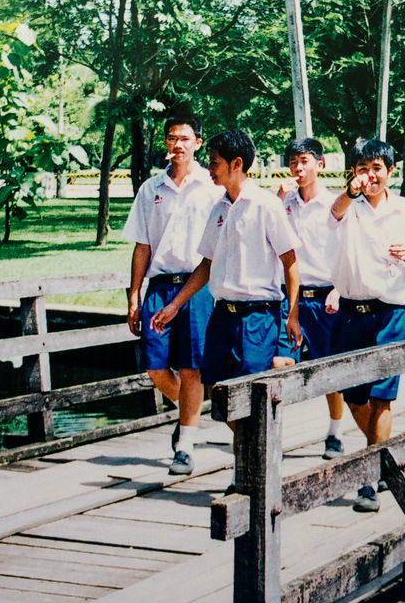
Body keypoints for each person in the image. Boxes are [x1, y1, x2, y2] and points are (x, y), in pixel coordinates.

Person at [150, 129, 302, 475]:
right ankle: (255, 455)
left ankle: (249, 471)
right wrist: (175, 305)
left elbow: (291, 263)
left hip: (258, 317)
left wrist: (291, 316)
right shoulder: (219, 207)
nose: (210, 169)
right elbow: (206, 264)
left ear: (236, 164)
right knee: (219, 392)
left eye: (215, 163)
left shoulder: (265, 205)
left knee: (249, 396)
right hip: (223, 316)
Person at [329, 139, 405, 512]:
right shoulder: (347, 207)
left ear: (390, 171)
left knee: (382, 396)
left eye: (377, 168)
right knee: (353, 395)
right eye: (362, 168)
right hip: (350, 313)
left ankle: (369, 480)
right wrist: (348, 191)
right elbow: (336, 211)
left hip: (389, 312)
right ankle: (383, 458)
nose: (369, 175)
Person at [124, 115, 222, 476]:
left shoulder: (212, 188)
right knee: (153, 365)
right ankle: (189, 414)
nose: (176, 145)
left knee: (191, 368)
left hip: (197, 285)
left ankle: (185, 446)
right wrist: (134, 296)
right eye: (170, 138)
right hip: (160, 284)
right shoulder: (152, 189)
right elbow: (142, 245)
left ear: (198, 142)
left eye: (184, 138)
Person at [276, 138, 346, 460]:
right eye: (293, 162)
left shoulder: (335, 206)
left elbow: (346, 251)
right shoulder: (284, 203)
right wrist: (277, 200)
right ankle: (272, 434)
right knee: (278, 363)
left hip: (323, 298)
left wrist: (338, 287)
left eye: (304, 161)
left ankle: (335, 431)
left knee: (327, 368)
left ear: (320, 164)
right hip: (288, 297)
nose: (298, 168)